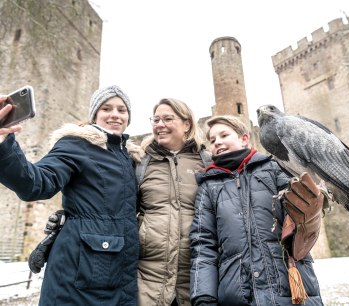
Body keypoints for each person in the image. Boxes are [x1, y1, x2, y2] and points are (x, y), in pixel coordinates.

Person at [0, 85, 139, 306]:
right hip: (79, 274)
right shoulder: (76, 144)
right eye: (106, 108)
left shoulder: (130, 157)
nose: (115, 114)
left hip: (117, 274)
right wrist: (4, 145)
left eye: (122, 110)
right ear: (95, 114)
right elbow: (36, 183)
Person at [189, 115, 324, 306]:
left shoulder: (275, 169)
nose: (217, 142)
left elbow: (302, 220)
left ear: (244, 138)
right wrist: (204, 297)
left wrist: (312, 211)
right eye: (212, 140)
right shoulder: (209, 187)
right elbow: (203, 245)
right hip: (237, 292)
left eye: (224, 135)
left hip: (288, 286)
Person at [136, 98, 211, 306]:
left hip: (195, 279)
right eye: (156, 119)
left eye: (168, 119)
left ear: (187, 124)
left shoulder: (207, 162)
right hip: (148, 279)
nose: (160, 124)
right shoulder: (141, 163)